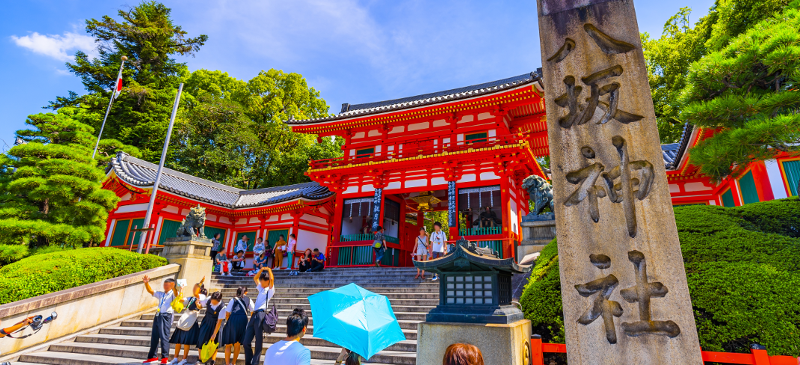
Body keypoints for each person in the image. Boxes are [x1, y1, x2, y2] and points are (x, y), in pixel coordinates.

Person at [168, 278, 206, 365]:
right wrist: (179, 289)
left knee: (186, 341)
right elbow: (180, 299)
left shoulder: (202, 297)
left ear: (200, 289)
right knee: (178, 341)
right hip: (184, 318)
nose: (193, 289)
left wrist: (200, 283)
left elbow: (197, 297)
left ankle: (184, 359)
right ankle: (175, 358)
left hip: (191, 319)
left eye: (195, 288)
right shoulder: (191, 298)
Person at [142, 276, 180, 364]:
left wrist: (174, 287)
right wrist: (146, 283)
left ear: (172, 285)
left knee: (164, 337)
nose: (165, 286)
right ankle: (152, 356)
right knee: (154, 336)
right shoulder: (162, 294)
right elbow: (151, 291)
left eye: (167, 285)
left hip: (166, 316)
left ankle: (164, 357)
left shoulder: (173, 293)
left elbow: (176, 294)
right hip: (158, 315)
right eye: (164, 284)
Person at [243, 267, 275, 365]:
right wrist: (261, 270)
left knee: (258, 340)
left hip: (261, 314)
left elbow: (272, 279)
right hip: (254, 314)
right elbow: (255, 278)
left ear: (267, 281)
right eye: (260, 281)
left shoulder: (270, 290)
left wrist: (269, 270)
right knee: (246, 341)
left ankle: (255, 363)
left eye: (262, 281)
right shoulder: (261, 288)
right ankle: (248, 361)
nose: (260, 282)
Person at [220, 286, 253, 365]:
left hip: (233, 320)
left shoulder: (233, 299)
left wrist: (229, 320)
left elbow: (227, 312)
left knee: (228, 344)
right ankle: (233, 363)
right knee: (237, 344)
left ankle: (227, 364)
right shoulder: (249, 299)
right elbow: (253, 311)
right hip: (243, 321)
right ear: (246, 292)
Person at [196, 291, 224, 365]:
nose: (212, 303)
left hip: (216, 324)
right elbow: (200, 306)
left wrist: (214, 334)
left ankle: (212, 361)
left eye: (214, 302)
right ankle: (200, 359)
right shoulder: (208, 299)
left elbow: (219, 321)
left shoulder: (222, 307)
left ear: (219, 300)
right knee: (201, 339)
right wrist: (197, 305)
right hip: (206, 321)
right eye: (212, 301)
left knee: (215, 342)